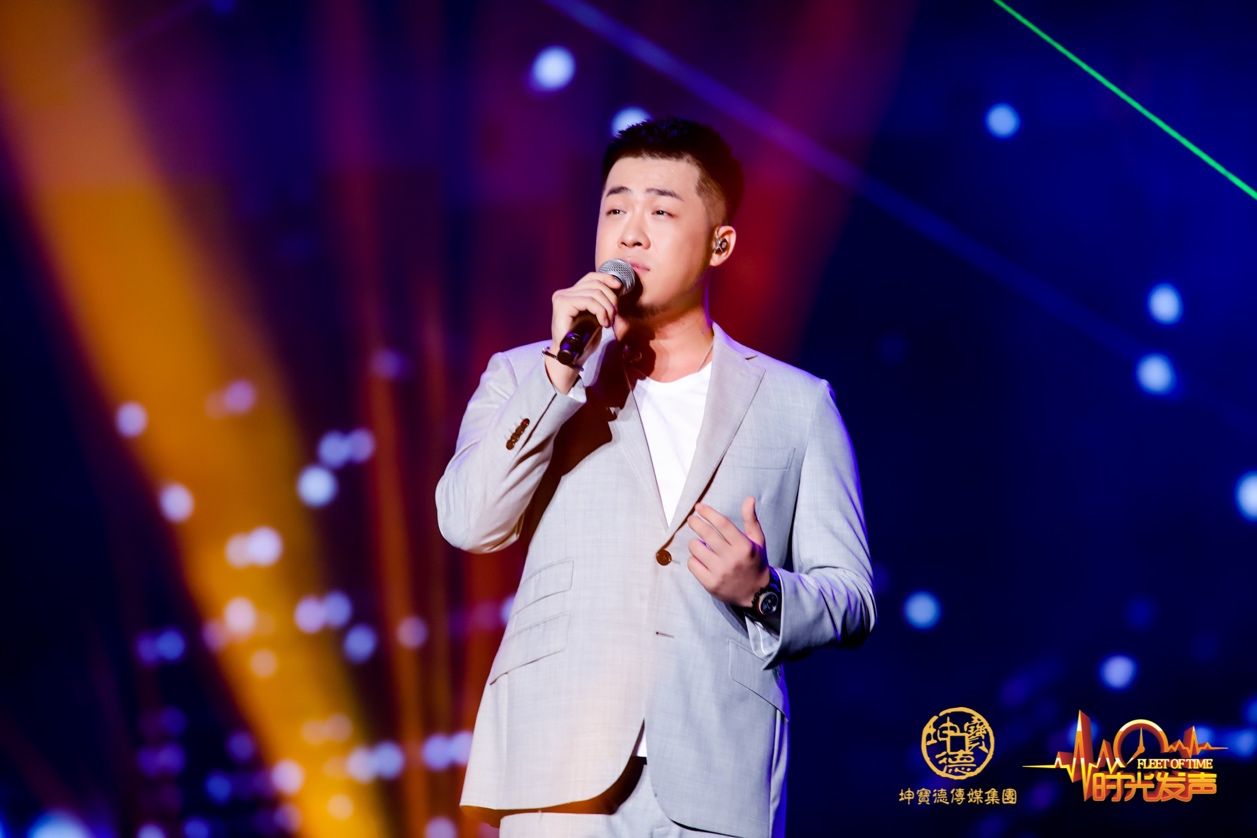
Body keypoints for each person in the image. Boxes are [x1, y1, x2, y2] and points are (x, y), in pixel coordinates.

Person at [436, 116, 874, 838]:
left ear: (719, 243)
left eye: (661, 212)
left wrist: (762, 591)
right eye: (615, 210)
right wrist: (560, 375)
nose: (630, 235)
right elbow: (468, 522)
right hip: (556, 770)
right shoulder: (525, 376)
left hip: (715, 775)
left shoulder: (796, 404)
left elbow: (852, 596)